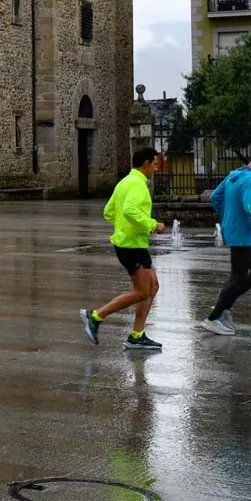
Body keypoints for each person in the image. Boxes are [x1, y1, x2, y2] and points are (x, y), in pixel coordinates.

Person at [80, 147, 166, 351]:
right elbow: (128, 210)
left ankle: (137, 335)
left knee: (152, 287)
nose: (156, 168)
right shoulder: (137, 184)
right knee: (141, 292)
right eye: (155, 164)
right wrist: (152, 225)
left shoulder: (124, 182)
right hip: (131, 246)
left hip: (132, 243)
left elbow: (108, 212)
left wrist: (122, 227)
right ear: (146, 163)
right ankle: (95, 316)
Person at [200, 149, 251, 336]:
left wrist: (227, 217)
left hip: (239, 232)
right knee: (237, 276)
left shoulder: (235, 175)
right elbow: (250, 207)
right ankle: (213, 318)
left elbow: (215, 197)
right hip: (241, 234)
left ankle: (225, 302)